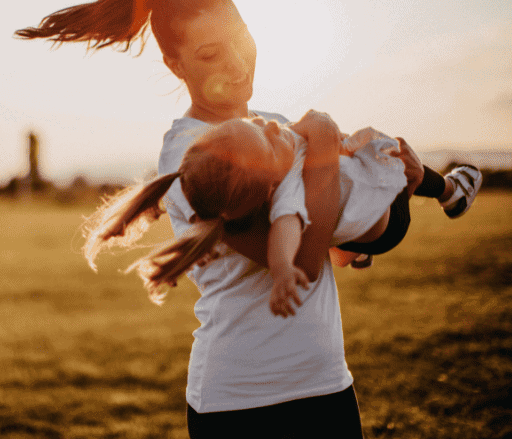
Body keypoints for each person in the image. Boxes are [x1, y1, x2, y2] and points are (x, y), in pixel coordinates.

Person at [14, 0, 436, 438]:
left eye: (242, 39)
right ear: (176, 66)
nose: (237, 64)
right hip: (243, 403)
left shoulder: (272, 128)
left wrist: (393, 188)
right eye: (211, 54)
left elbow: (329, 240)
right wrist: (320, 149)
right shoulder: (195, 154)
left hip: (326, 384)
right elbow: (301, 260)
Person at [81, 117, 481, 318]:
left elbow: (311, 125)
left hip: (355, 217)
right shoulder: (288, 188)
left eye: (256, 124)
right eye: (268, 139)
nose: (271, 124)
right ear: (271, 183)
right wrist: (283, 269)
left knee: (363, 152)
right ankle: (450, 190)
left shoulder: (226, 188)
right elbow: (287, 230)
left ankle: (440, 195)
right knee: (391, 154)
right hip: (386, 222)